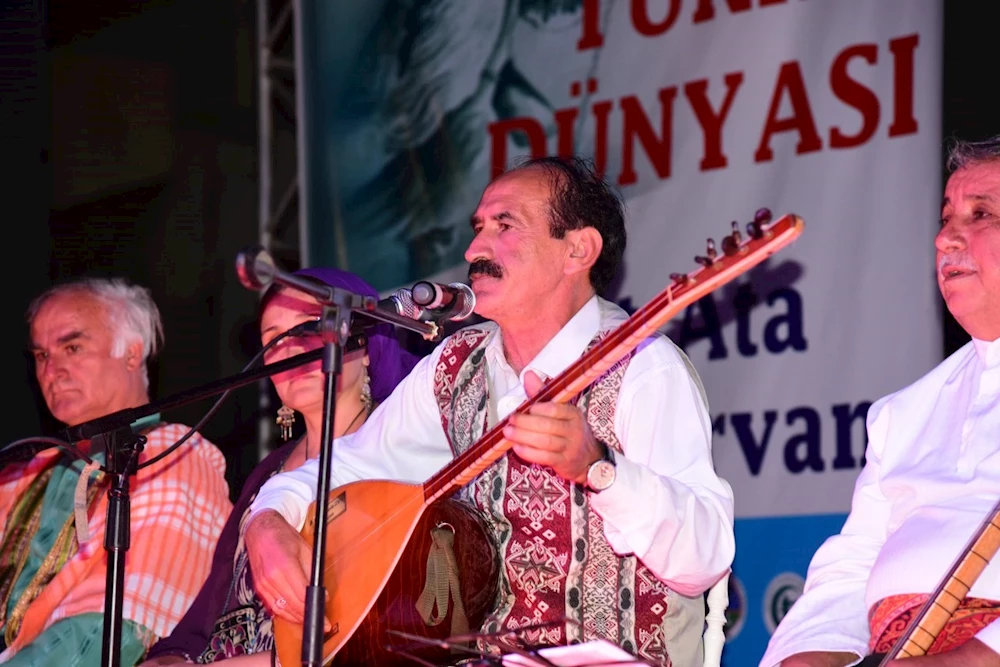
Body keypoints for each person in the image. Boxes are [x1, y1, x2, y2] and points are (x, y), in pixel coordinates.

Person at [244, 156, 736, 666]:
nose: (474, 250)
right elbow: (349, 464)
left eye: (505, 226)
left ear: (578, 250)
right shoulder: (457, 364)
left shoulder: (643, 368)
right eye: (479, 228)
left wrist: (600, 469)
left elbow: (703, 559)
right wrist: (269, 520)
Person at [759, 134, 1000, 667]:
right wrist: (807, 656)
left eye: (981, 215)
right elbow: (851, 567)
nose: (945, 239)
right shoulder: (902, 414)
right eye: (946, 217)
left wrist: (969, 658)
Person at [138, 268, 419, 665]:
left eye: (310, 327)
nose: (290, 349)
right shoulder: (268, 474)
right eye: (274, 339)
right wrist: (170, 659)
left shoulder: (401, 448)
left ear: (367, 344)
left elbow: (383, 625)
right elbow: (202, 619)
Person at [0, 277, 232, 666]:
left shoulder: (176, 456)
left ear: (131, 353)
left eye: (72, 348)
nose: (52, 370)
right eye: (41, 355)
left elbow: (111, 634)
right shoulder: (29, 470)